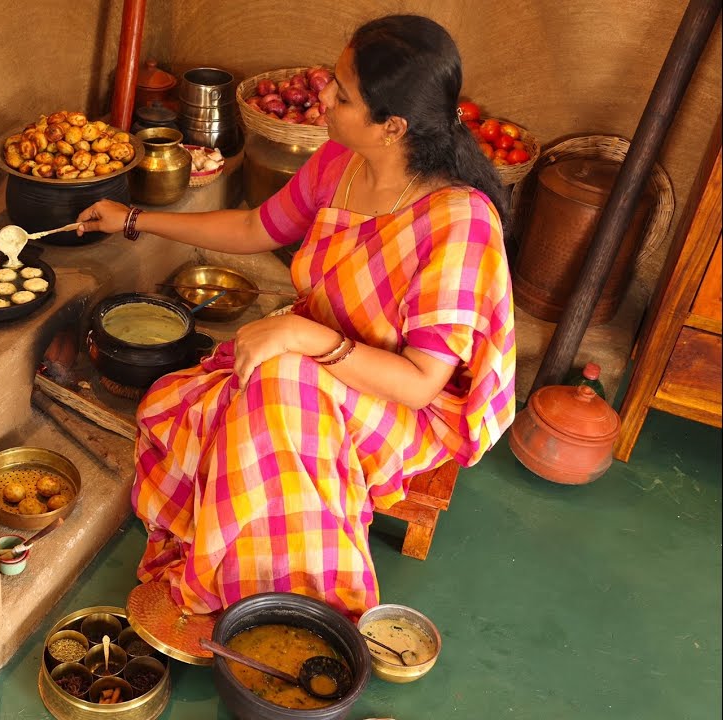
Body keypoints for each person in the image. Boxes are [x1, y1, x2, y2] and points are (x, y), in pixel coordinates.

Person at [74, 15, 516, 619]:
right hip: (320, 361)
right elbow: (254, 227)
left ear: (392, 126)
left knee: (280, 380)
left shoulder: (459, 222)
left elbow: (418, 384)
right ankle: (254, 587)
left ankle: (295, 608)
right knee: (236, 392)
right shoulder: (341, 161)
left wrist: (304, 336)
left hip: (403, 406)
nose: (323, 98)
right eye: (332, 79)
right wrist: (133, 219)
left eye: (343, 94)